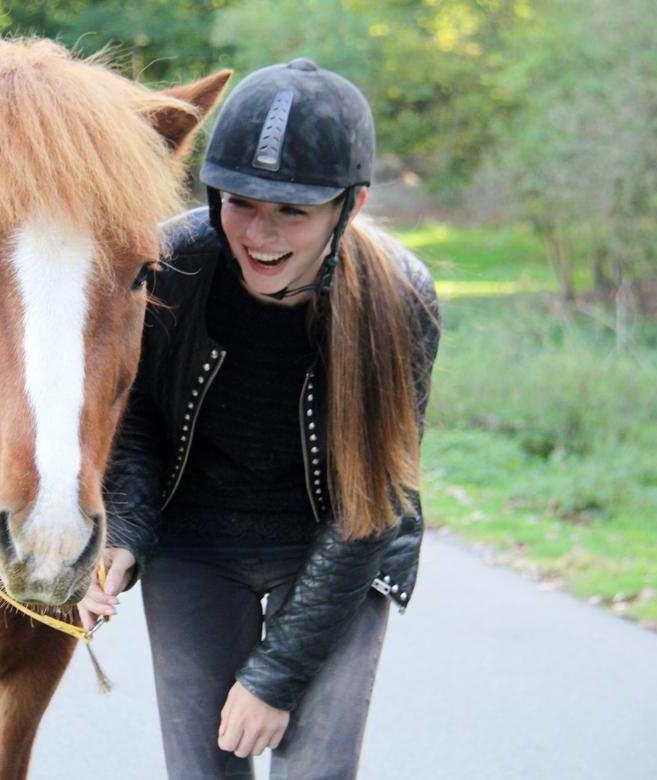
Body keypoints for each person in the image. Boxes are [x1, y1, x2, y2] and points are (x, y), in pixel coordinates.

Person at [78, 58, 441, 779]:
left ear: (352, 204)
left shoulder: (401, 299)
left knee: (316, 772)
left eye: (294, 212)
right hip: (195, 546)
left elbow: (371, 506)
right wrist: (125, 533)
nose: (260, 233)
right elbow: (140, 413)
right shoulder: (173, 261)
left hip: (334, 550)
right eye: (240, 201)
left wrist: (274, 678)